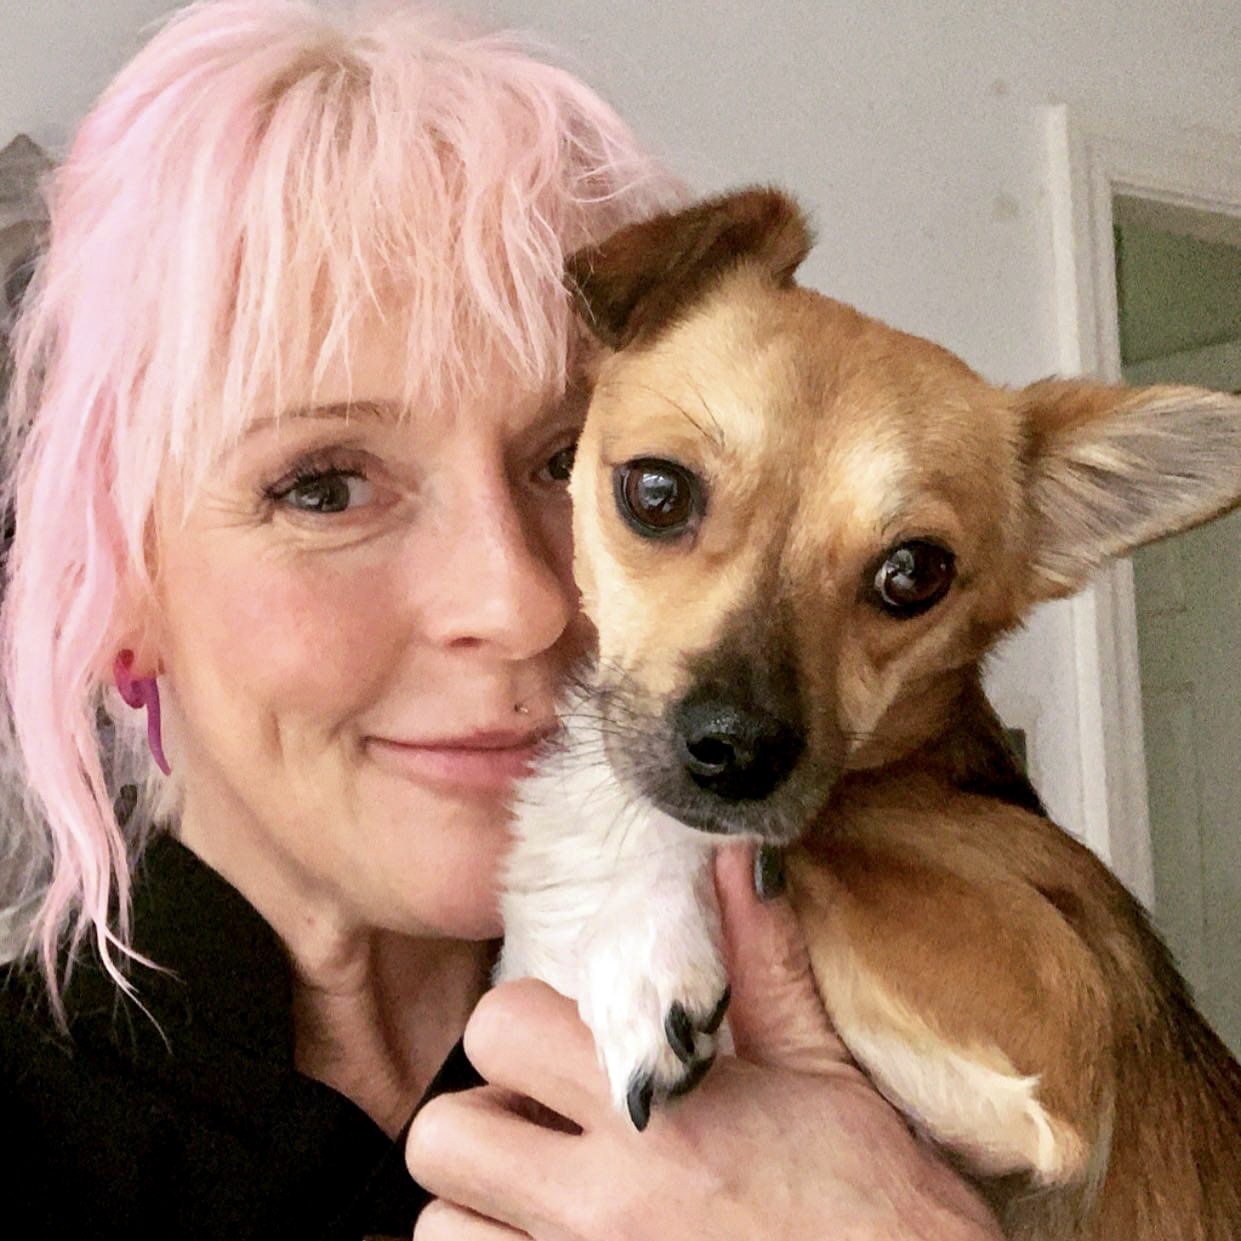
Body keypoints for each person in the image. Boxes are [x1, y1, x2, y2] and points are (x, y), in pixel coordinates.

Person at [0, 3, 1003, 1238]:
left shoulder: (878, 1009)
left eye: (574, 462)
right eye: (324, 486)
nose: (519, 600)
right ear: (113, 584)